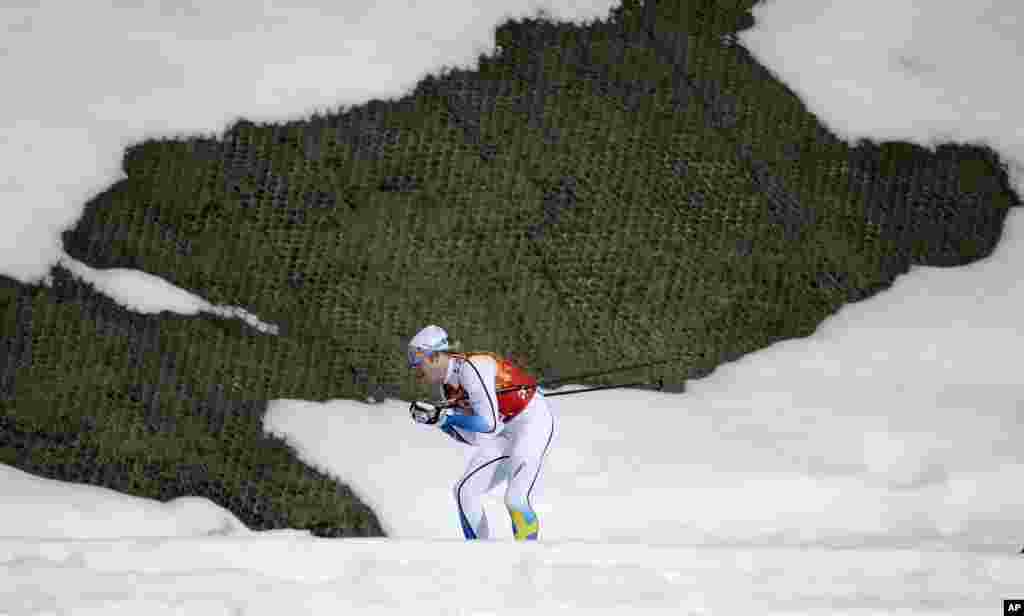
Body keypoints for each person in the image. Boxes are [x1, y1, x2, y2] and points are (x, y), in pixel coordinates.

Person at [406, 324, 556, 541]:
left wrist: (448, 417)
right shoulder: (447, 388)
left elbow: (489, 423)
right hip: (505, 432)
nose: (417, 373)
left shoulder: (471, 369)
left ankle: (529, 560)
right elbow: (477, 437)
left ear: (436, 357)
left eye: (419, 366)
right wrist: (440, 422)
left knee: (515, 498)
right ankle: (480, 558)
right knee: (465, 492)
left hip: (532, 421)